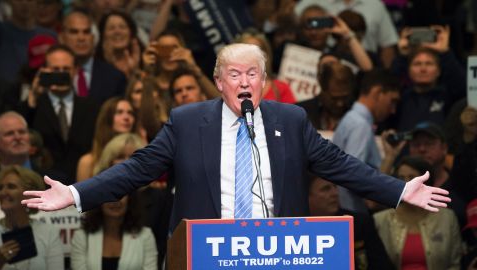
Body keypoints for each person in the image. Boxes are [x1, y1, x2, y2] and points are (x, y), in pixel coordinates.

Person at [22, 44, 450, 235]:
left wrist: (397, 189)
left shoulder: (292, 119)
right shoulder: (187, 122)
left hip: (280, 254)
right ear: (217, 81)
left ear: (265, 81)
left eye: (253, 73)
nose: (244, 81)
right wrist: (76, 194)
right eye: (234, 74)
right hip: (208, 254)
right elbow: (137, 169)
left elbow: (341, 165)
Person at [71, 133, 157, 270]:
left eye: (120, 195)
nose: (115, 201)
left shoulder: (145, 235)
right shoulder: (82, 236)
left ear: (130, 199)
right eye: (110, 195)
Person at [17, 44, 98, 184]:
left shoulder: (92, 107)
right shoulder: (32, 106)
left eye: (66, 69)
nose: (61, 73)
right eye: (55, 69)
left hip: (82, 184)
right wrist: (32, 97)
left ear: (76, 71)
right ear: (44, 71)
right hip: (41, 184)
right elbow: (20, 135)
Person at [332, 69, 403, 213]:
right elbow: (354, 177)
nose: (393, 110)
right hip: (353, 213)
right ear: (377, 93)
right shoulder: (360, 125)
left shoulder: (354, 120)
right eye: (392, 101)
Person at [374, 156, 462, 270]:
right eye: (401, 178)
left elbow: (455, 264)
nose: (406, 184)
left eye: (411, 178)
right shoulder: (380, 220)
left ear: (426, 181)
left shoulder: (447, 218)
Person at [308, 175, 394, 270]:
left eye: (335, 187)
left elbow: (382, 265)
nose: (335, 193)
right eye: (325, 189)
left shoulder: (359, 222)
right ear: (307, 196)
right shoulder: (295, 228)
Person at [0, 166, 64, 269]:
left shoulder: (48, 232)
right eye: (0, 188)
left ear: (30, 195)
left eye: (11, 187)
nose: (2, 193)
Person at [59, 10, 127, 104]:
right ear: (62, 38)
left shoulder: (115, 78)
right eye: (74, 32)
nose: (81, 38)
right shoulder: (51, 73)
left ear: (93, 38)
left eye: (86, 32)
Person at [76, 97, 136, 181]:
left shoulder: (138, 154)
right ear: (107, 118)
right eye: (119, 112)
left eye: (130, 113)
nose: (126, 117)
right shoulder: (88, 162)